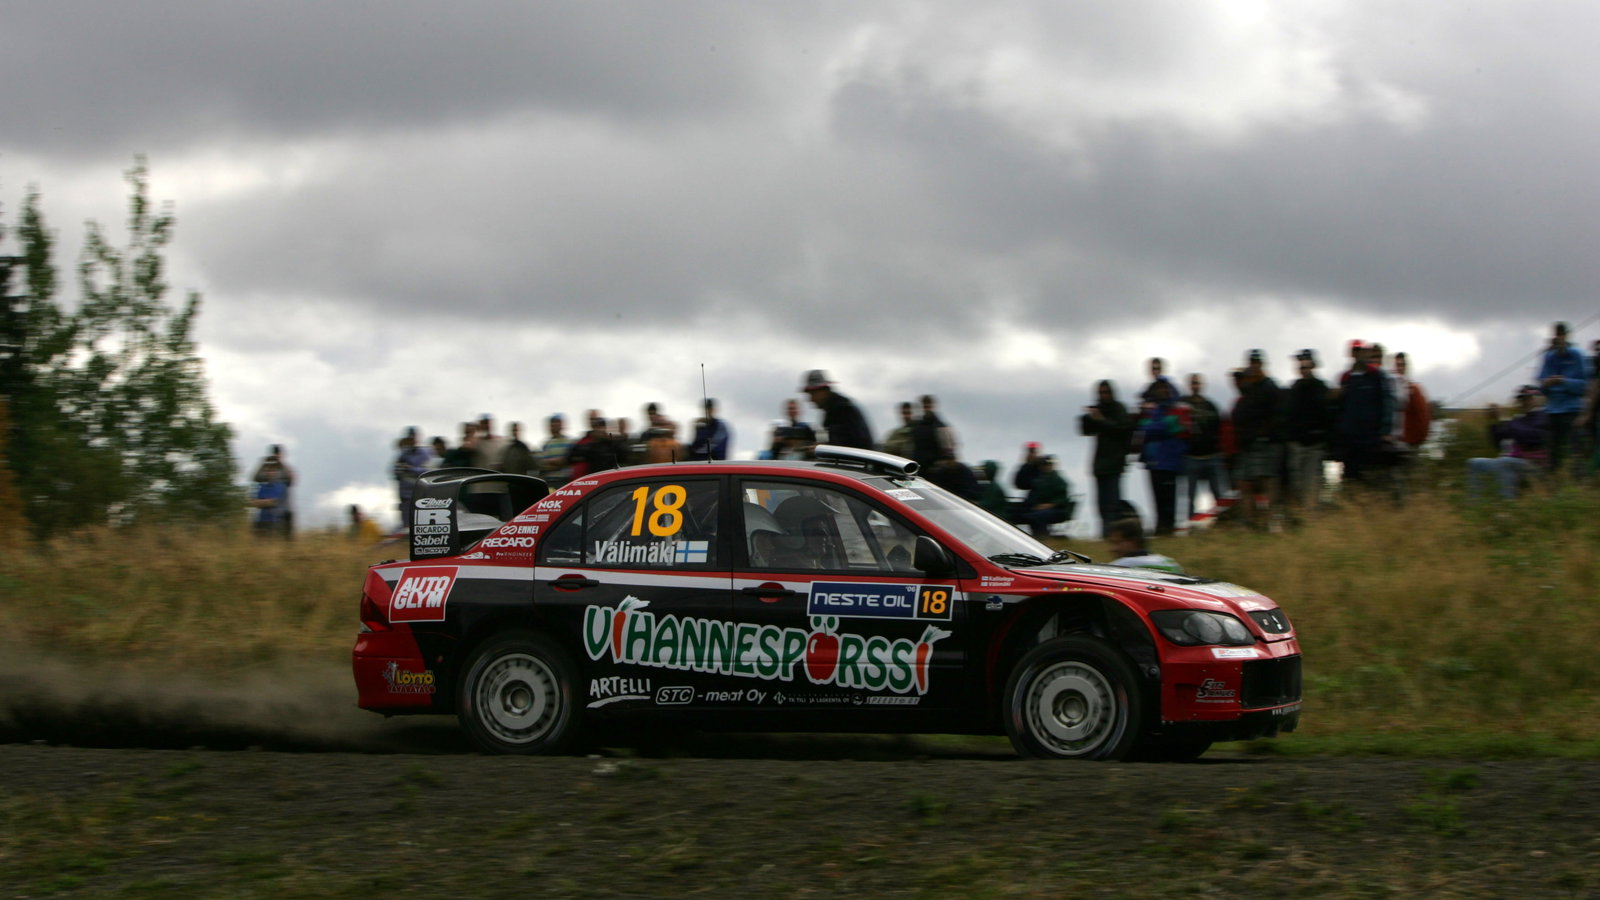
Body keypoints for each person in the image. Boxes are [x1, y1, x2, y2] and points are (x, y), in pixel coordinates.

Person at [1231, 350, 1284, 530]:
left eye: (1257, 362)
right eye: (1251, 362)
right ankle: (1250, 521)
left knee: (1268, 481)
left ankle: (1272, 520)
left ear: (1262, 364)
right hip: (1247, 443)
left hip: (1266, 442)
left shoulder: (1270, 387)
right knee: (1244, 482)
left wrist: (1265, 433)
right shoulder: (1249, 388)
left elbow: (1277, 414)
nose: (1254, 365)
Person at [1466, 386, 1550, 500]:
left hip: (1534, 465)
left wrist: (1508, 422)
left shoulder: (1544, 416)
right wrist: (1494, 421)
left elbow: (1534, 437)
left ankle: (1507, 506)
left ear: (1537, 399)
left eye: (1528, 399)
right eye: (1522, 399)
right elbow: (1498, 441)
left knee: (1506, 462)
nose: (1524, 402)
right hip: (1514, 461)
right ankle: (1475, 505)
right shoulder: (1518, 420)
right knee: (1474, 463)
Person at [1333, 341, 1392, 488]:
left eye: (1362, 350)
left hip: (1370, 439)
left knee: (1371, 479)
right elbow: (1339, 407)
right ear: (1351, 353)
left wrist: (1384, 430)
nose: (1359, 354)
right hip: (1349, 439)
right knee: (1350, 480)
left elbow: (1387, 403)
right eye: (1356, 350)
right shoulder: (1345, 377)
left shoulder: (1376, 376)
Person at [1080, 380, 1134, 538]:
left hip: (1115, 462)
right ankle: (1105, 534)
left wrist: (1100, 420)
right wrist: (1088, 418)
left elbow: (1122, 428)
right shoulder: (1099, 409)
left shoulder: (1119, 409)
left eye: (1106, 392)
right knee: (1101, 505)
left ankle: (1111, 534)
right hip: (1100, 464)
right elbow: (1085, 431)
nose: (1103, 396)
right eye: (1101, 393)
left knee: (1112, 505)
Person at [1135, 379, 1189, 536]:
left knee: (1169, 499)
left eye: (1164, 388)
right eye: (1159, 388)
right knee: (1157, 498)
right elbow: (1144, 427)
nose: (1162, 391)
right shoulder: (1152, 410)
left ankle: (1169, 527)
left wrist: (1154, 425)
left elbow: (1168, 427)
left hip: (1170, 461)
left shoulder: (1175, 409)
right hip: (1153, 461)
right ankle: (1161, 528)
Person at [1536, 321, 1589, 477]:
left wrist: (1563, 381)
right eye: (1556, 334)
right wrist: (1548, 383)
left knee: (1575, 449)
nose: (1559, 337)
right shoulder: (1549, 357)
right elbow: (1541, 386)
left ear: (1566, 336)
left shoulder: (1577, 355)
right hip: (1553, 410)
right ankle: (1554, 482)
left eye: (1561, 334)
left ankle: (1579, 482)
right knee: (1553, 450)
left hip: (1572, 409)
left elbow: (1583, 386)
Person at [1284, 350, 1332, 515]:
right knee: (1296, 485)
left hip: (1314, 445)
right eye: (1300, 364)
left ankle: (1311, 517)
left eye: (1306, 364)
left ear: (1312, 365)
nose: (1303, 368)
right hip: (1296, 444)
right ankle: (1300, 517)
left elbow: (1328, 416)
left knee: (1311, 485)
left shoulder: (1321, 388)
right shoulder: (1294, 389)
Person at [1181, 374, 1229, 523]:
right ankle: (1191, 523)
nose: (1195, 386)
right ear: (1189, 385)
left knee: (1218, 494)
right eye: (1193, 383)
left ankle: (1222, 522)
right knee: (1190, 496)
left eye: (1197, 383)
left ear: (1202, 385)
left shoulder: (1211, 406)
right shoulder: (1182, 406)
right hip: (1191, 457)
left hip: (1211, 456)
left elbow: (1220, 428)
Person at [800, 370, 874, 450]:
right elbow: (824, 437)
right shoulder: (831, 411)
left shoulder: (843, 410)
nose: (811, 399)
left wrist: (820, 446)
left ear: (823, 391)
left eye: (813, 394)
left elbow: (839, 441)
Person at [1015, 455, 1072, 538]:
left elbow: (1061, 498)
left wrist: (1048, 505)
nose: (1045, 467)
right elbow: (1022, 484)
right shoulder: (1038, 479)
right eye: (1043, 465)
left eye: (1047, 465)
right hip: (1037, 509)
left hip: (1057, 510)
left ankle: (1042, 536)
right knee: (1027, 514)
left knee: (1038, 516)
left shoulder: (1057, 480)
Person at [1105, 518, 1183, 574]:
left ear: (1133, 541)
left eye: (1116, 543)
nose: (1112, 549)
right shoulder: (1170, 562)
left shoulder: (1120, 566)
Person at [393, 427, 434, 530]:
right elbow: (395, 472)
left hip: (420, 494)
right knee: (406, 526)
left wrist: (411, 469)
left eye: (413, 437)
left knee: (421, 525)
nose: (411, 440)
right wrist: (400, 469)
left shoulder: (425, 452)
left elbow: (428, 471)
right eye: (409, 437)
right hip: (405, 495)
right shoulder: (403, 454)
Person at [251, 445, 294, 538]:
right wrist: (263, 463)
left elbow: (291, 480)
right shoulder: (267, 469)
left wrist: (281, 463)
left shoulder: (284, 469)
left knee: (287, 538)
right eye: (275, 454)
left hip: (284, 507)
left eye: (278, 454)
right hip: (268, 512)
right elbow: (255, 478)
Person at [910, 394, 955, 471]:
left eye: (928, 407)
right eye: (925, 407)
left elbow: (948, 449)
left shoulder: (940, 426)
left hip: (935, 469)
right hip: (920, 467)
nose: (927, 409)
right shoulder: (916, 427)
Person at [537, 414, 577, 486]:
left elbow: (567, 461)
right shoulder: (546, 444)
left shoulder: (569, 442)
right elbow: (542, 464)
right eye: (552, 424)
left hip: (564, 481)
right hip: (549, 481)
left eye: (557, 423)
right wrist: (556, 463)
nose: (554, 426)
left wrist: (555, 462)